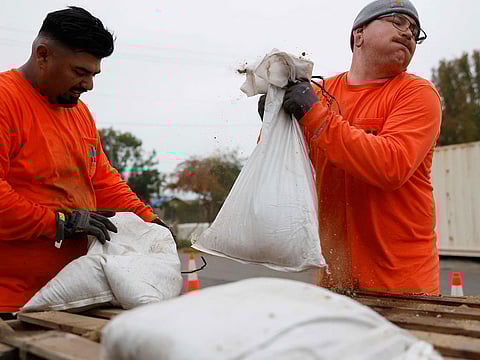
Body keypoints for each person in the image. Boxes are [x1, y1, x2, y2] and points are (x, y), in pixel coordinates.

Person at [262, 0, 441, 295]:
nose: (408, 33)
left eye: (414, 30)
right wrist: (272, 123)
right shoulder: (321, 93)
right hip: (335, 284)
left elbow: (391, 166)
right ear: (358, 35)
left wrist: (313, 115)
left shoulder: (417, 94)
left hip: (403, 287)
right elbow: (283, 165)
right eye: (397, 21)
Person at [0, 7, 169, 313]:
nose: (89, 85)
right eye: (80, 72)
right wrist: (58, 222)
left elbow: (101, 180)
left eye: (93, 74)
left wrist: (149, 221)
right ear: (42, 55)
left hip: (73, 295)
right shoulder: (5, 100)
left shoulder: (79, 112)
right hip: (9, 302)